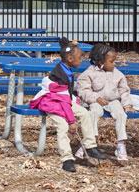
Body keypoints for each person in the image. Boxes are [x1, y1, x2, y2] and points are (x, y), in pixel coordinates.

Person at [29, 37, 106, 172]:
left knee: (85, 113)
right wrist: (71, 121)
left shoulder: (65, 69)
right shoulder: (61, 76)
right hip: (52, 104)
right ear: (70, 59)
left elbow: (66, 98)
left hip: (63, 101)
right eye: (79, 58)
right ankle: (67, 159)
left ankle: (90, 146)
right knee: (63, 126)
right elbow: (62, 101)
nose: (81, 60)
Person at [76, 43, 134, 165]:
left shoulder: (117, 74)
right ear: (100, 62)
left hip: (113, 101)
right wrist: (95, 98)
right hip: (96, 101)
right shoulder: (89, 73)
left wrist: (127, 104)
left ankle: (121, 144)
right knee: (94, 112)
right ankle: (90, 142)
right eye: (111, 62)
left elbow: (124, 90)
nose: (114, 64)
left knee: (121, 114)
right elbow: (83, 90)